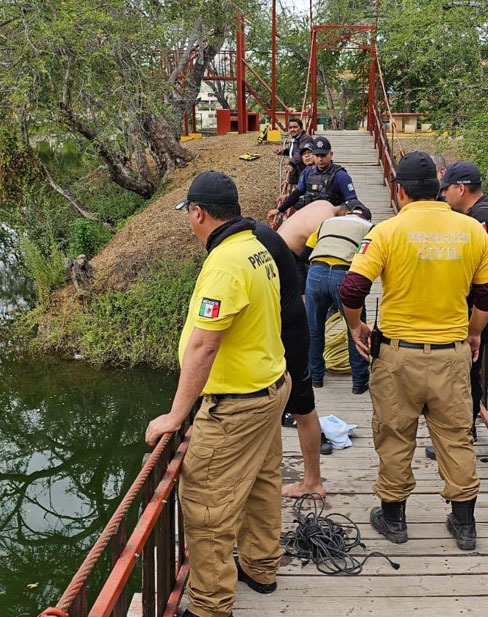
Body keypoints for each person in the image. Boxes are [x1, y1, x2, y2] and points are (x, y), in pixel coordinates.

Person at [338, 152, 488, 551]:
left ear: (401, 189)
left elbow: (352, 289)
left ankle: (393, 520)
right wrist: (474, 333)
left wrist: (356, 325)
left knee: (395, 436)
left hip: (397, 356)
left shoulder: (386, 232)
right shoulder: (472, 230)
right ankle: (464, 525)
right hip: (451, 353)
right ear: (438, 186)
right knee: (456, 438)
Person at [145, 171, 290, 617]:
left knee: (206, 504)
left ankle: (209, 606)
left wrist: (175, 414)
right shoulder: (255, 248)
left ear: (199, 212)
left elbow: (206, 344)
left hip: (236, 406)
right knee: (263, 485)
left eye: (189, 213)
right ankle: (261, 568)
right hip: (271, 389)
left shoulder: (225, 263)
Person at [251, 220, 331, 498]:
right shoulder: (262, 234)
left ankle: (311, 481)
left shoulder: (251, 245)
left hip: (287, 334)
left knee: (297, 405)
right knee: (302, 406)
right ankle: (311, 480)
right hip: (293, 324)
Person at [440, 160, 488, 434]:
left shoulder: (480, 219)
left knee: (465, 372)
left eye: (445, 189)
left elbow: (483, 270)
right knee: (466, 369)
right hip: (483, 307)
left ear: (460, 188)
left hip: (477, 309)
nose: (443, 196)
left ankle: (464, 429)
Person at [299, 203, 374, 393]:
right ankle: (359, 382)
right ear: (366, 218)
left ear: (348, 213)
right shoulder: (369, 228)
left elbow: (304, 254)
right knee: (355, 328)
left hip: (316, 273)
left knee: (314, 329)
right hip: (344, 276)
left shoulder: (327, 223)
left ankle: (315, 377)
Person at [270, 137, 360, 218]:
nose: (320, 159)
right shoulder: (308, 172)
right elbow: (297, 193)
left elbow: (352, 202)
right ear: (313, 155)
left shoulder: (341, 176)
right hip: (309, 218)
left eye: (323, 155)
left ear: (331, 154)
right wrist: (279, 210)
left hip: (332, 220)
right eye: (317, 155)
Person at [274, 117, 310, 188]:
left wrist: (291, 163)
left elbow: (300, 151)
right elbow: (294, 150)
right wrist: (283, 151)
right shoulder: (296, 138)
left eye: (295, 127)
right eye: (290, 127)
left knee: (301, 189)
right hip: (296, 169)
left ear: (301, 128)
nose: (292, 129)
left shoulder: (306, 139)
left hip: (303, 169)